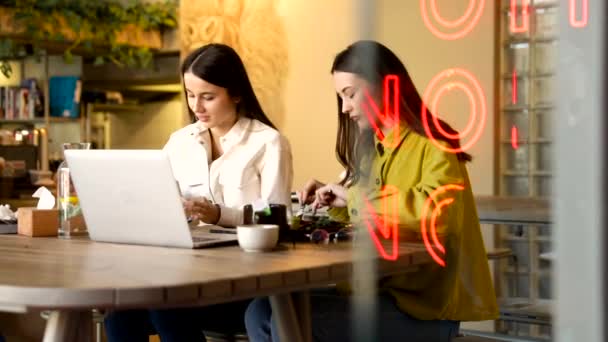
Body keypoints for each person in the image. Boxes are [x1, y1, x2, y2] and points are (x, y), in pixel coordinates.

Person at [244, 40, 498, 342]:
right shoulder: (372, 150)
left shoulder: (434, 142)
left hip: (424, 309)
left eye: (350, 95)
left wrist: (352, 197)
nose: (345, 107)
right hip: (378, 292)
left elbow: (435, 213)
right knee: (261, 311)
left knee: (294, 321)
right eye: (340, 97)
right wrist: (331, 202)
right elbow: (370, 214)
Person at [104, 43, 294, 342]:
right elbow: (154, 199)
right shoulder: (180, 142)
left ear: (236, 93)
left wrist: (220, 214)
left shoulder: (268, 143)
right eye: (190, 95)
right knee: (119, 315)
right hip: (184, 274)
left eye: (208, 97)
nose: (197, 107)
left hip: (241, 284)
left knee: (165, 308)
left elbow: (275, 220)